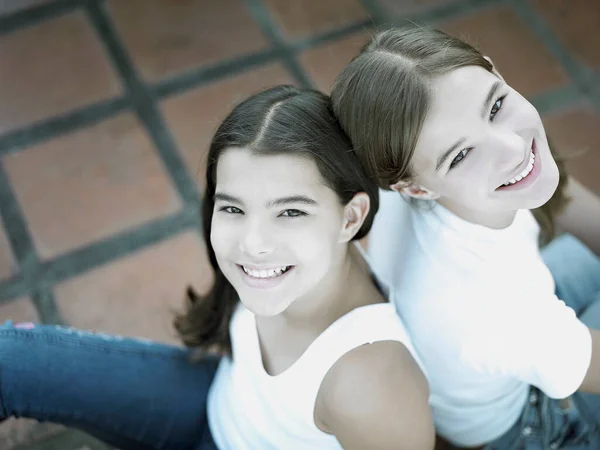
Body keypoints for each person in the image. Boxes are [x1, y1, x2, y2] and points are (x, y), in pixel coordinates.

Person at [0, 85, 434, 450]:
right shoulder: (300, 265)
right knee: (9, 360)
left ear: (351, 218)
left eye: (290, 212)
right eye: (233, 208)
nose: (253, 244)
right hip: (210, 404)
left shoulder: (371, 382)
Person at [330, 26, 600, 450]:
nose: (511, 146)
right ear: (415, 188)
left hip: (493, 353)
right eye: (460, 155)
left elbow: (556, 188)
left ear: (492, 68)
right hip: (531, 421)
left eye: (494, 106)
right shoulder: (495, 305)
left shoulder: (402, 178)